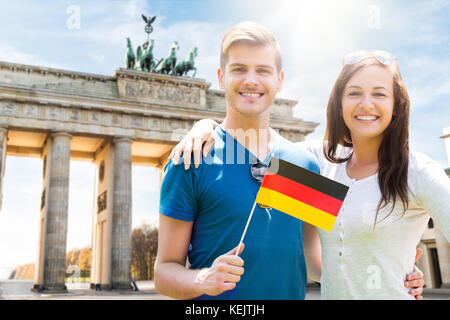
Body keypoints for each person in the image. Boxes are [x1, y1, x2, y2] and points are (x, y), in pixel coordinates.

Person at [167, 50, 444, 299]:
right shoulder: (320, 162)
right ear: (339, 104)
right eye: (354, 92)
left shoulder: (418, 172)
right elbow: (257, 147)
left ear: (397, 105)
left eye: (380, 94)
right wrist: (205, 127)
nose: (366, 104)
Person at [154, 21, 322, 300]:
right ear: (221, 77)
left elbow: (315, 262)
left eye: (263, 70)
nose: (251, 80)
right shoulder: (191, 159)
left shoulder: (304, 165)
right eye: (239, 69)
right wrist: (202, 279)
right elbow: (163, 272)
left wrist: (390, 270)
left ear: (279, 80)